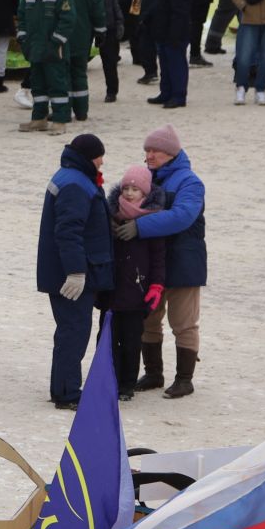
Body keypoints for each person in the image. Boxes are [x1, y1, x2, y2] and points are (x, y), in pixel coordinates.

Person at [115, 125, 206, 398]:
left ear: (170, 153)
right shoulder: (147, 179)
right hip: (152, 263)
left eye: (154, 150)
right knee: (149, 318)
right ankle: (154, 373)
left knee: (183, 322)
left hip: (183, 262)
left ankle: (184, 378)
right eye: (146, 150)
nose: (149, 155)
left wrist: (139, 228)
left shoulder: (190, 182)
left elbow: (182, 216)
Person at [37, 134, 112, 409]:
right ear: (90, 156)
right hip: (70, 276)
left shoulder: (69, 176)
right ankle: (67, 392)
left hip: (63, 271)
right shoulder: (77, 185)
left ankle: (63, 387)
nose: (102, 162)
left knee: (69, 330)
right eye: (100, 156)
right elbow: (69, 232)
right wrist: (76, 271)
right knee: (74, 331)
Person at [109, 164, 167, 398]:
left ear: (145, 193)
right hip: (112, 292)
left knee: (132, 342)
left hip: (137, 293)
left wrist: (156, 286)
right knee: (109, 341)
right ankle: (109, 380)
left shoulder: (152, 220)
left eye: (135, 189)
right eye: (126, 189)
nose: (130, 193)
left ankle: (127, 385)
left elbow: (158, 259)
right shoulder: (111, 214)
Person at [17, 0, 76, 133]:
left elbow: (68, 20)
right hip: (35, 49)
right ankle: (39, 119)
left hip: (54, 50)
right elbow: (22, 19)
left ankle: (60, 120)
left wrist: (55, 43)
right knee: (38, 86)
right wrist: (23, 40)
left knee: (58, 85)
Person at [53, 0, 102, 121]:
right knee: (80, 74)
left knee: (61, 75)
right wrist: (100, 32)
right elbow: (98, 12)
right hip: (83, 36)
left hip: (59, 37)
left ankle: (63, 112)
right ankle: (82, 112)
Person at [143, 0, 194, 109]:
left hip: (173, 34)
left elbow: (180, 13)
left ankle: (178, 96)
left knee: (176, 64)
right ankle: (166, 93)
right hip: (165, 32)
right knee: (165, 64)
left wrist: (174, 35)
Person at [82, 0, 124, 103]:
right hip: (87, 23)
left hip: (108, 22)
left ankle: (112, 91)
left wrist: (119, 21)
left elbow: (114, 1)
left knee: (110, 60)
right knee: (81, 59)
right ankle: (80, 90)